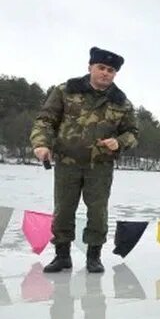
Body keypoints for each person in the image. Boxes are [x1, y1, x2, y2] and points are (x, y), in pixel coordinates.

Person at [30, 46, 139, 274]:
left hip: (99, 166)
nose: (105, 73)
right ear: (90, 67)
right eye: (101, 67)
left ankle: (94, 256)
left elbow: (133, 134)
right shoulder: (65, 90)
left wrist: (119, 142)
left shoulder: (121, 102)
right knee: (63, 210)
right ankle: (62, 256)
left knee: (98, 212)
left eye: (111, 70)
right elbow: (45, 120)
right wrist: (41, 144)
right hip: (67, 163)